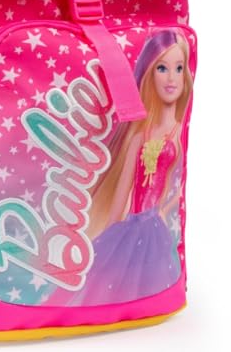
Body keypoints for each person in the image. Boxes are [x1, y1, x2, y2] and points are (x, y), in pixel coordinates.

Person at [67, 28, 193, 306]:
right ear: (149, 73)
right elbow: (123, 190)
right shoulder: (139, 136)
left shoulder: (177, 133)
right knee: (112, 281)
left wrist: (164, 210)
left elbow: (178, 183)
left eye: (179, 68)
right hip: (132, 224)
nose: (171, 78)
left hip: (156, 225)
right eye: (162, 68)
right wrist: (110, 232)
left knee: (150, 282)